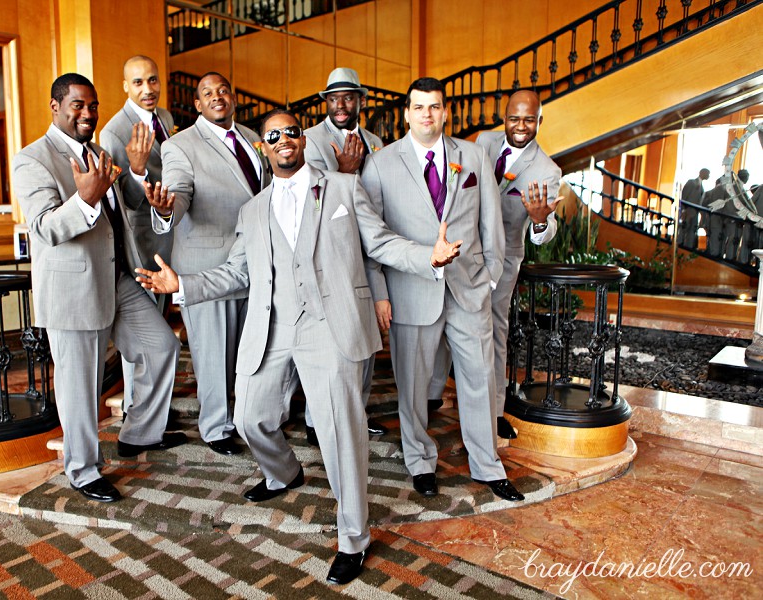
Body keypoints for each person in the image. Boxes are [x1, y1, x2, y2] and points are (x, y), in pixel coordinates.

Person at [136, 110, 462, 584]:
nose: (284, 139)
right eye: (274, 136)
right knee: (249, 416)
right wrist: (181, 283)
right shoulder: (253, 210)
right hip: (272, 327)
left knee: (339, 435)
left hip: (329, 329)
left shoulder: (345, 191)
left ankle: (354, 537)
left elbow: (383, 244)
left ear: (303, 140)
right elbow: (237, 273)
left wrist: (427, 257)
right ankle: (284, 472)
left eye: (292, 131)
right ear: (265, 149)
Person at [12, 73, 184, 504]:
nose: (88, 113)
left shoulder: (101, 152)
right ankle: (83, 469)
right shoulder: (32, 159)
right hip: (73, 289)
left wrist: (140, 177)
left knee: (161, 346)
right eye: (77, 106)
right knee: (80, 384)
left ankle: (138, 432)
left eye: (93, 106)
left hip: (119, 275)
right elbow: (44, 228)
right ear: (56, 106)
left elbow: (123, 204)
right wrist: (84, 200)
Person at [359, 77, 525, 502]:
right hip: (411, 292)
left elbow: (491, 223)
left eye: (434, 107)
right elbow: (373, 239)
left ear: (445, 111)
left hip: (469, 290)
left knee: (481, 378)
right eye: (418, 107)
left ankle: (486, 462)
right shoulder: (380, 164)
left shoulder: (472, 156)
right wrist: (379, 292)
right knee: (412, 386)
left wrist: (490, 277)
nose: (427, 115)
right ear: (406, 113)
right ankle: (420, 460)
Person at [158, 72, 270, 456]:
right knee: (214, 352)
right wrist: (167, 207)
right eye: (208, 93)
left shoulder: (253, 138)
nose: (217, 97)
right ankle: (216, 426)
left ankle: (248, 415)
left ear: (233, 97)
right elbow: (179, 191)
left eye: (223, 90)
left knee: (250, 348)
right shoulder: (180, 145)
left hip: (255, 261)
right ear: (198, 105)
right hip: (207, 264)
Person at [302, 67, 387, 444]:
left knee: (365, 336)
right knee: (330, 338)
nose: (340, 105)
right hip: (331, 251)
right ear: (326, 103)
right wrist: (343, 172)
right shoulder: (308, 139)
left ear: (360, 101)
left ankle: (356, 411)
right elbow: (307, 198)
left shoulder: (376, 141)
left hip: (369, 249)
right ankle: (313, 418)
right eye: (333, 98)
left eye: (348, 98)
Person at [474, 89, 562, 439]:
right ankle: (436, 395)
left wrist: (539, 221)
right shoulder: (482, 142)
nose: (520, 126)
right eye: (514, 118)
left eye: (529, 119)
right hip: (463, 255)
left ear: (539, 121)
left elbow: (546, 228)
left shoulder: (546, 169)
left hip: (503, 261)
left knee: (495, 333)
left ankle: (495, 411)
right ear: (504, 117)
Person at [99, 55, 175, 417]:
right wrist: (139, 168)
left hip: (169, 237)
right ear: (125, 87)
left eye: (153, 80)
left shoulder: (167, 119)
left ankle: (152, 409)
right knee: (143, 337)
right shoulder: (114, 132)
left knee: (160, 332)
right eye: (139, 82)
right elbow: (123, 199)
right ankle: (135, 410)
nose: (148, 89)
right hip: (140, 245)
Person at [678, 168, 709, 248]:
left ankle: (688, 247)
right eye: (708, 173)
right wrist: (683, 210)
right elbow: (684, 196)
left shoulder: (702, 186)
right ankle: (679, 245)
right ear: (702, 173)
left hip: (695, 213)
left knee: (691, 232)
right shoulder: (691, 182)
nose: (709, 176)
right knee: (683, 229)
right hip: (687, 212)